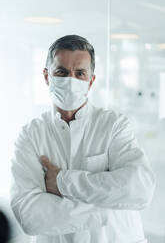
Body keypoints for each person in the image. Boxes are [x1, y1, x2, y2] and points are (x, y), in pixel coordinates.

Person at [10, 35, 156, 243]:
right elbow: (31, 216)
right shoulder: (31, 135)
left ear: (91, 80)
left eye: (80, 73)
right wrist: (107, 208)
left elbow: (139, 188)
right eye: (61, 72)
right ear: (46, 76)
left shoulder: (113, 125)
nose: (71, 81)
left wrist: (61, 182)